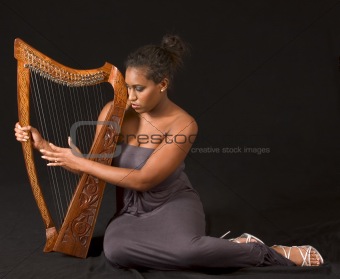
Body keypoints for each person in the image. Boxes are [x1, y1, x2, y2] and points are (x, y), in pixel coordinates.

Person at [14, 34, 324, 270]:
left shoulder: (184, 123)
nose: (130, 96)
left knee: (190, 251)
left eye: (139, 88)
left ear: (162, 84)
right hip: (131, 213)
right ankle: (215, 248)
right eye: (128, 86)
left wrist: (81, 161)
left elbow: (144, 179)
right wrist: (44, 146)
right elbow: (93, 170)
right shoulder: (113, 111)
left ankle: (260, 250)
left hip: (173, 204)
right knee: (116, 252)